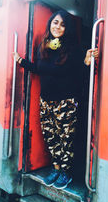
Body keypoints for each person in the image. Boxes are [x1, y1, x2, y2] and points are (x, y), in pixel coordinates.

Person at [14, 10, 98, 189]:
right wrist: (21, 61)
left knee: (65, 139)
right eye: (55, 23)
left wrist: (87, 61)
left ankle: (66, 172)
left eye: (62, 24)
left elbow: (80, 75)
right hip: (46, 101)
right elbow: (39, 68)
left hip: (65, 102)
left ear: (66, 29)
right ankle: (56, 167)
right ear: (49, 24)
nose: (57, 27)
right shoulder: (44, 45)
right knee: (51, 137)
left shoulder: (73, 48)